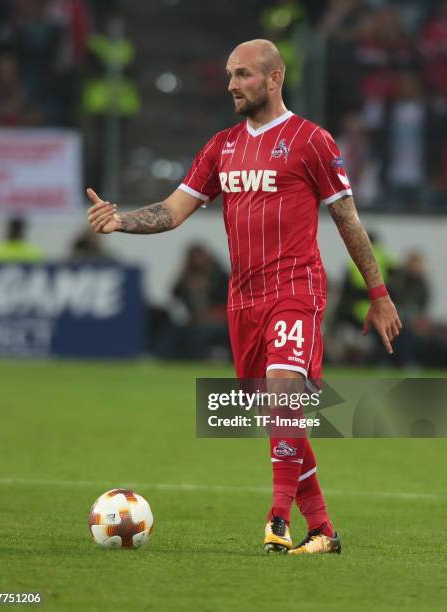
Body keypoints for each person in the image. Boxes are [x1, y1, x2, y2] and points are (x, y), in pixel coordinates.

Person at [86, 39, 402, 556]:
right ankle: (322, 530)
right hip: (244, 299)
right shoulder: (221, 146)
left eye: (243, 75)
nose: (232, 84)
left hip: (296, 288)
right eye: (229, 75)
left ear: (274, 78)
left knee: (283, 392)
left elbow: (348, 220)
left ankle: (276, 518)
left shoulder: (311, 141)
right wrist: (121, 220)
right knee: (280, 420)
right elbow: (173, 211)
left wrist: (380, 293)